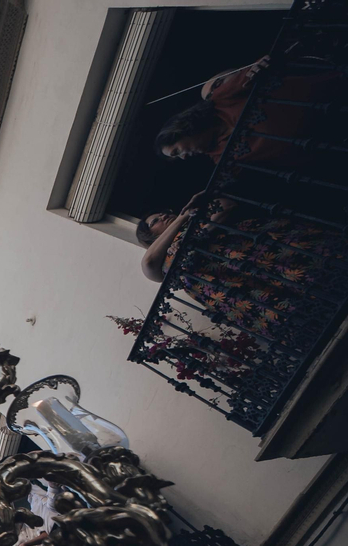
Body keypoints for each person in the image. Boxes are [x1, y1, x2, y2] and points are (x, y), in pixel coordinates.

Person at [139, 192, 342, 341]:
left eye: (162, 213)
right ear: (150, 236)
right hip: (236, 286)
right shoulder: (160, 260)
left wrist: (198, 232)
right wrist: (181, 218)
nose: (163, 216)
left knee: (309, 270)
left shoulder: (196, 219)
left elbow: (225, 205)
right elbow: (148, 263)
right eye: (155, 221)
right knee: (287, 308)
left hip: (253, 254)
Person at [155, 54, 339, 166]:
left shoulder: (220, 100)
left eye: (176, 151)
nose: (183, 158)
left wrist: (257, 68)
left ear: (182, 130)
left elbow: (250, 72)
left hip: (328, 95)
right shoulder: (220, 158)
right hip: (331, 139)